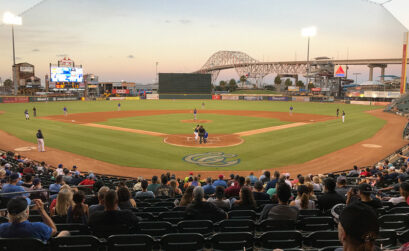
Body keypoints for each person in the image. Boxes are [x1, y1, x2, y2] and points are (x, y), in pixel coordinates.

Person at [0, 197, 69, 242]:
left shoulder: (2, 228)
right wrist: (42, 211)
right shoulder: (38, 227)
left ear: (8, 212)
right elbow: (54, 230)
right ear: (27, 211)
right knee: (65, 232)